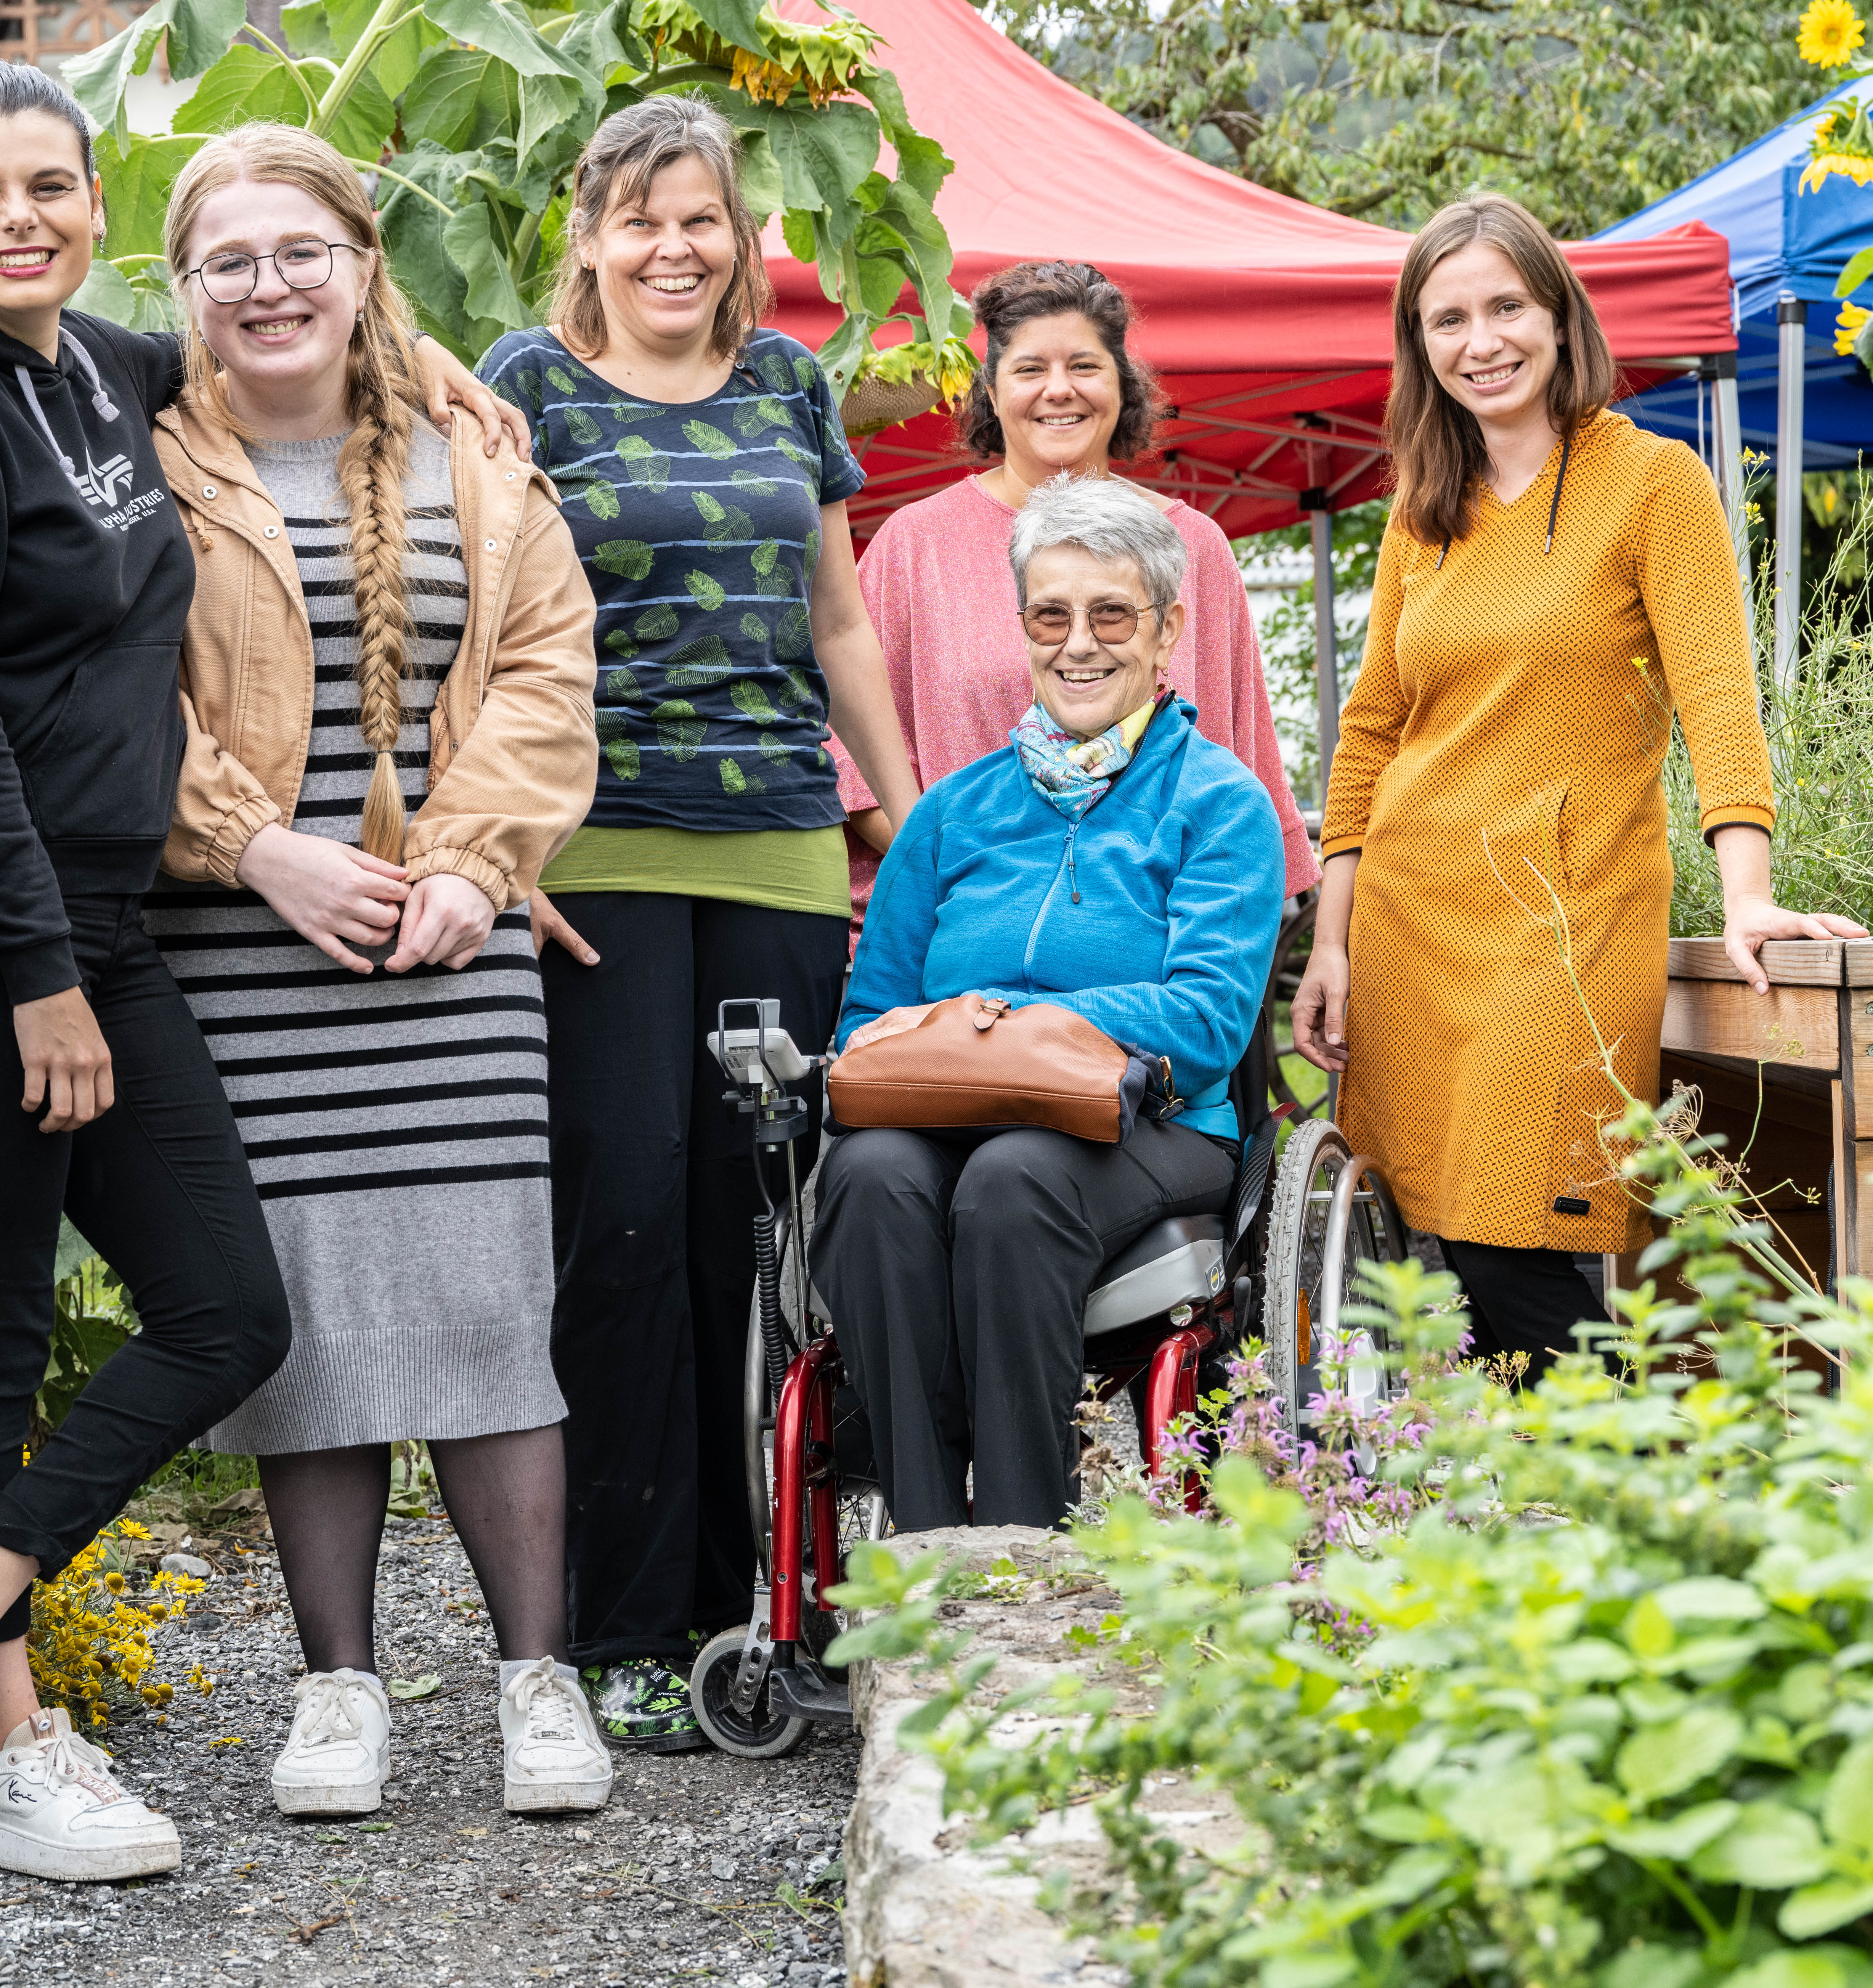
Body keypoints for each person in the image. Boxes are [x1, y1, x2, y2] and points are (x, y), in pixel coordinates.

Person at [0, 64, 527, 1897]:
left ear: (91, 200)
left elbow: (287, 337)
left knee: (225, 1309)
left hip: (92, 918)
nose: (17, 217)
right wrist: (39, 975)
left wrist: (441, 381)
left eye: (49, 185)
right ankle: (10, 1746)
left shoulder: (92, 376)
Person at [139, 123, 608, 1817]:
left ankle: (535, 1683)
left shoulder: (479, 461)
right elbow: (120, 696)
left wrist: (476, 867)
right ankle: (339, 1690)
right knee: (309, 1321)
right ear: (186, 289)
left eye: (300, 252)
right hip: (241, 943)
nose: (270, 286)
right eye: (231, 261)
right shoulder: (145, 464)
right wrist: (255, 844)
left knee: (489, 1306)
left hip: (453, 947)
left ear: (359, 266)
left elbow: (550, 674)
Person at [477, 96, 926, 1750]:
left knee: (768, 1233)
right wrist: (491, 838)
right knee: (624, 1223)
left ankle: (771, 1605)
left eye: (705, 219)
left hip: (779, 845)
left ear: (744, 240)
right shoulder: (526, 384)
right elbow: (471, 625)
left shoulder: (791, 388)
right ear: (589, 231)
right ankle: (615, 1623)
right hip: (586, 850)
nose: (676, 247)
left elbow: (840, 623)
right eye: (642, 218)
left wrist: (915, 815)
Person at [1287, 193, 1866, 1373]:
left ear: (1560, 317)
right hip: (1412, 917)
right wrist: (1332, 945)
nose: (1481, 340)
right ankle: (1549, 1515)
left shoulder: (1656, 482)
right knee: (1425, 1246)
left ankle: (1631, 1492)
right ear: (1420, 346)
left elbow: (1719, 700)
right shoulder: (1419, 509)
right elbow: (1368, 734)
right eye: (1448, 319)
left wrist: (1748, 893)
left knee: (1520, 1233)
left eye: (1507, 306)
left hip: (1566, 913)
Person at [814, 476, 1280, 1527]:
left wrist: (1009, 1031)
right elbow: (869, 1023)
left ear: (1166, 634)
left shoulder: (1217, 802)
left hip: (1152, 1120)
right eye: (1051, 616)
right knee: (872, 1173)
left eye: (1112, 615)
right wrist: (975, 1050)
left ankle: (1026, 1538)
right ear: (1022, 630)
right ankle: (929, 1532)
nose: (1081, 644)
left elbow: (1206, 1019)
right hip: (946, 1120)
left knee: (1014, 1178)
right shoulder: (950, 814)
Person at [832, 261, 1314, 911]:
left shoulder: (1194, 547)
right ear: (992, 392)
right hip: (960, 930)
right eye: (1030, 369)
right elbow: (849, 765)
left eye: (1085, 366)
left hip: (1161, 938)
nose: (1059, 390)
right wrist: (968, 867)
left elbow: (1243, 756)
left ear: (1123, 386)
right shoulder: (914, 545)